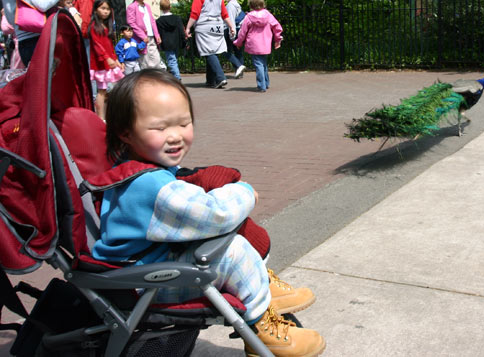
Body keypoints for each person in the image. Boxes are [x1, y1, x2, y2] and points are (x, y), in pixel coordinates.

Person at [97, 69, 326, 356]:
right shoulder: (151, 186)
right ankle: (260, 325)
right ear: (125, 132)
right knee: (233, 250)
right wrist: (244, 192)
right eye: (160, 128)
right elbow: (215, 214)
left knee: (229, 239)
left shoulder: (140, 170)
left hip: (146, 266)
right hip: (143, 284)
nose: (175, 136)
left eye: (184, 123)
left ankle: (261, 287)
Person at [233, 0, 281, 92]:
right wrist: (277, 39)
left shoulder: (248, 17)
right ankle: (266, 83)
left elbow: (242, 32)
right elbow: (277, 27)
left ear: (251, 5)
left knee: (258, 64)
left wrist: (238, 43)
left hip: (253, 44)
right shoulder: (268, 15)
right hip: (265, 43)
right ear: (263, 4)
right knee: (263, 64)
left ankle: (261, 85)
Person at [185, 0, 235, 89]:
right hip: (217, 26)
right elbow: (224, 14)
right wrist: (231, 26)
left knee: (208, 52)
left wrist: (188, 27)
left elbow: (195, 13)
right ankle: (211, 80)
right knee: (213, 52)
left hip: (204, 25)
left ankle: (220, 78)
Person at [88, 0, 124, 120]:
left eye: (107, 9)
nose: (105, 11)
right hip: (101, 63)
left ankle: (106, 115)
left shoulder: (106, 26)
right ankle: (101, 117)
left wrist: (115, 59)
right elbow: (97, 45)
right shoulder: (94, 26)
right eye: (103, 8)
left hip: (108, 62)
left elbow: (109, 45)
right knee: (102, 91)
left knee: (108, 89)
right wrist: (107, 58)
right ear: (96, 10)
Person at [1, 0, 59, 66]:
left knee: (36, 75)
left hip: (23, 42)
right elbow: (42, 6)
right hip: (38, 40)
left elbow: (10, 20)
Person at [126, 0, 164, 69]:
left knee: (157, 60)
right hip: (141, 39)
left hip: (151, 37)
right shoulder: (131, 7)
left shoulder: (147, 6)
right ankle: (147, 78)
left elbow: (152, 21)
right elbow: (131, 23)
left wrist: (157, 35)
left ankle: (154, 77)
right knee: (145, 63)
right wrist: (142, 36)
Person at [155, 0, 184, 80]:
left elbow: (158, 33)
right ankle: (176, 76)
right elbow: (181, 30)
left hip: (166, 43)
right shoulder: (176, 18)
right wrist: (184, 41)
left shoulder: (159, 21)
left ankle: (177, 77)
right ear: (170, 6)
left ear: (160, 8)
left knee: (171, 60)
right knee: (174, 60)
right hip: (176, 42)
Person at [223, 0, 244, 79]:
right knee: (238, 51)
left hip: (231, 30)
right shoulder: (236, 4)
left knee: (225, 51)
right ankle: (240, 72)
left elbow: (231, 20)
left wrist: (232, 35)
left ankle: (239, 66)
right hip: (238, 29)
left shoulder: (230, 5)